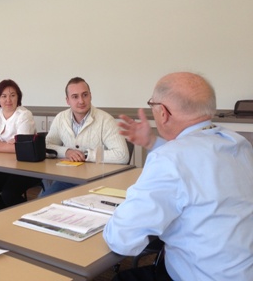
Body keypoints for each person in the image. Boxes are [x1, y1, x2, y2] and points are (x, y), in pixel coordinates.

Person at [103, 72, 253, 281]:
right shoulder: (237, 143)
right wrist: (152, 142)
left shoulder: (169, 159)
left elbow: (121, 239)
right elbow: (196, 161)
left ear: (163, 112)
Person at [40, 77, 129, 196]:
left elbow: (122, 155)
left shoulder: (106, 120)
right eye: (75, 97)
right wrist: (66, 152)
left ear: (90, 96)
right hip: (68, 179)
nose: (81, 101)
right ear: (68, 100)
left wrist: (87, 155)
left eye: (85, 95)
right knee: (43, 201)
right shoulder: (61, 118)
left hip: (99, 182)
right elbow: (46, 146)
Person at [0, 79, 40, 211]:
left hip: (25, 167)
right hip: (2, 165)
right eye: (4, 96)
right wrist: (8, 145)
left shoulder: (24, 115)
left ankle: (25, 216)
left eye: (13, 95)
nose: (8, 100)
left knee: (9, 193)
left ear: (18, 97)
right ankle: (2, 216)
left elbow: (21, 148)